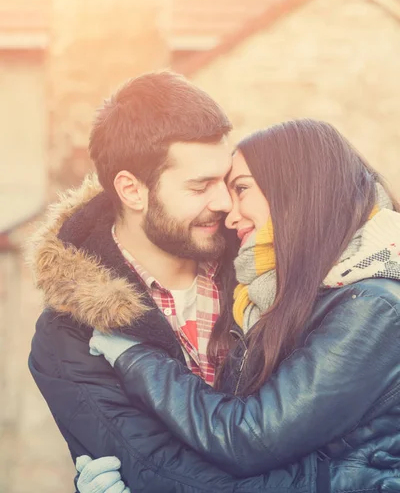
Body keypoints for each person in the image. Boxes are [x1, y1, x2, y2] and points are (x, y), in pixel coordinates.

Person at [28, 73, 400, 493]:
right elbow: (152, 464)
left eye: (228, 182)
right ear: (132, 190)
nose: (224, 204)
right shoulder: (71, 336)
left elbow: (264, 438)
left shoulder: (272, 274)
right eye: (200, 186)